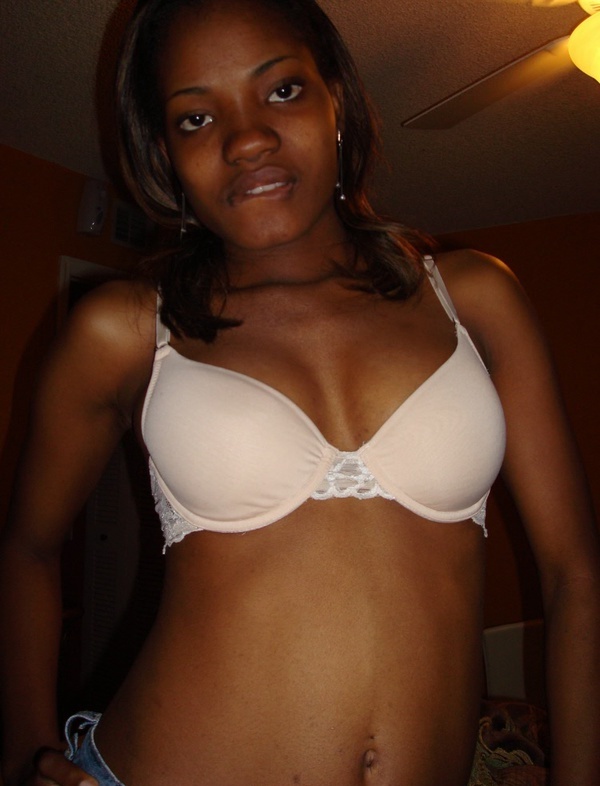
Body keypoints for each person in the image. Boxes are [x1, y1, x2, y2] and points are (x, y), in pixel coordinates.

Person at [1, 0, 599, 784]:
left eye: (280, 90)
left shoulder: (475, 297)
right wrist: (24, 751)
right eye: (195, 118)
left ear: (336, 102)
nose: (246, 139)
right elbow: (28, 547)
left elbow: (575, 575)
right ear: (163, 152)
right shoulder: (125, 330)